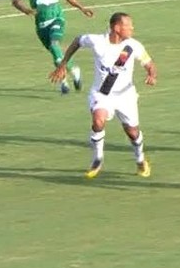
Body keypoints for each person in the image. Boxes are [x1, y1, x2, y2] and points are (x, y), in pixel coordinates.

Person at [50, 12, 158, 178]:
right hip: (102, 94)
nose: (132, 28)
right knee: (98, 120)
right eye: (128, 25)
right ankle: (97, 159)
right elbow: (77, 41)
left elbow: (149, 64)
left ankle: (140, 159)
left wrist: (151, 74)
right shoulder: (97, 41)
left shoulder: (133, 46)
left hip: (125, 96)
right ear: (116, 28)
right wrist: (63, 64)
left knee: (132, 132)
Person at [11, 0, 95, 93]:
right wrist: (26, 10)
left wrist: (82, 8)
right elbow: (15, 1)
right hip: (41, 25)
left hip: (57, 19)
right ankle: (66, 78)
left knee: (55, 44)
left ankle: (72, 72)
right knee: (55, 52)